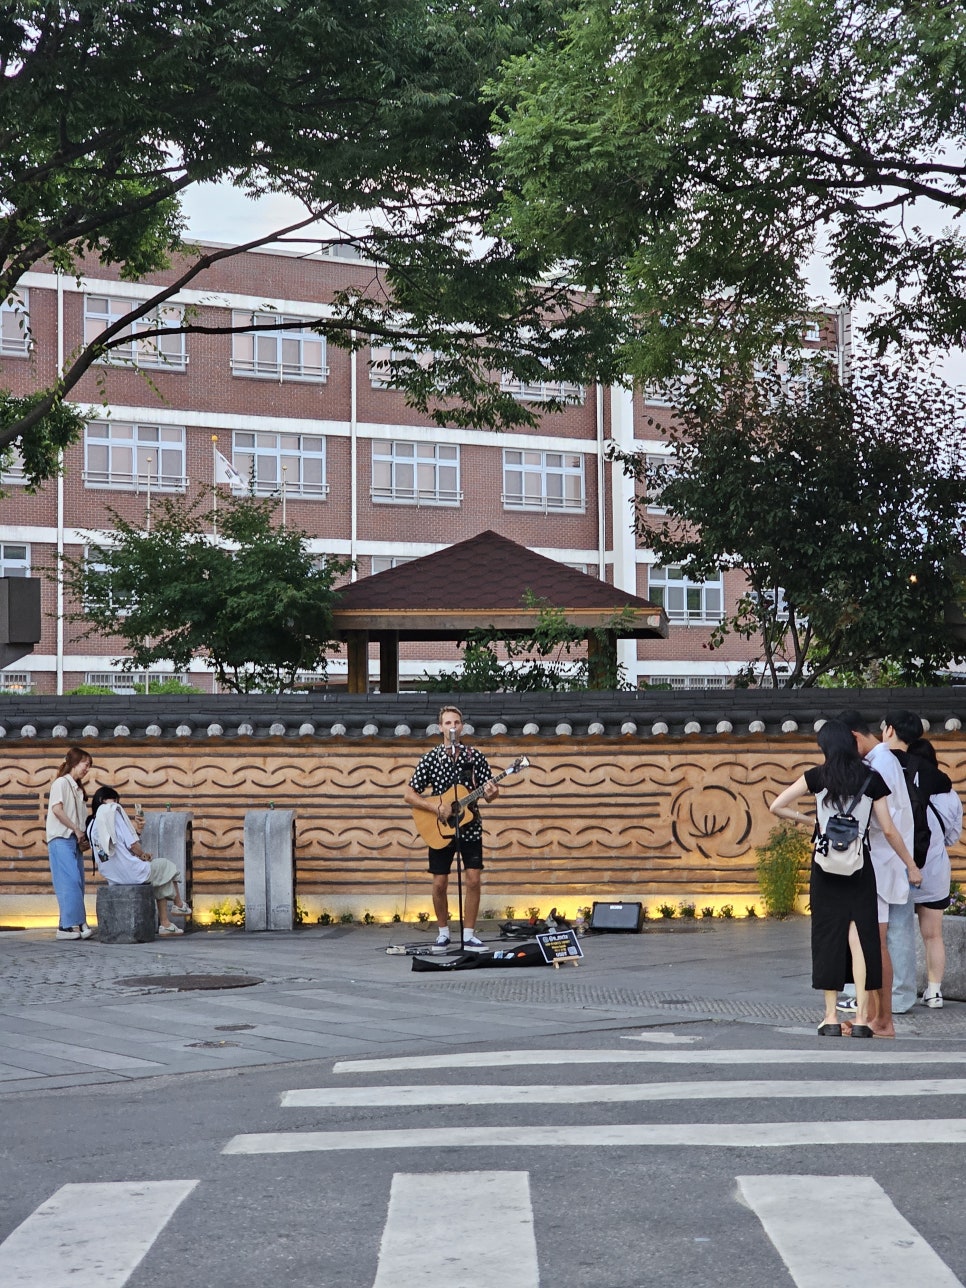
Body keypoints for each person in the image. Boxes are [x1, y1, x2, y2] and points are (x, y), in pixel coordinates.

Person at [769, 719, 920, 1038]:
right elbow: (889, 830)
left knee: (828, 937)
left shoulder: (817, 776)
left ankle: (830, 1017)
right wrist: (911, 865)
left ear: (827, 747)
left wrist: (809, 820)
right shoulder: (872, 778)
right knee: (861, 939)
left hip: (826, 867)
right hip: (860, 867)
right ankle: (864, 1018)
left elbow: (776, 806)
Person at [837, 709, 920, 1031]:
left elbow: (886, 827)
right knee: (874, 942)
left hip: (882, 866)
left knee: (875, 943)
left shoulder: (878, 766)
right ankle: (872, 1016)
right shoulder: (885, 762)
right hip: (885, 865)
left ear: (855, 737)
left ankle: (880, 1020)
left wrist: (910, 866)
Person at [404, 705, 499, 950]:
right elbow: (409, 794)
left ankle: (468, 934)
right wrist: (436, 808)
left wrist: (492, 792)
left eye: (456, 722)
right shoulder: (431, 758)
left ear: (462, 726)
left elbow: (488, 793)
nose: (452, 727)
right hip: (440, 827)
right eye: (448, 723)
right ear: (440, 728)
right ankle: (444, 933)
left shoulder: (474, 756)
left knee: (474, 879)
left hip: (470, 825)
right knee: (439, 883)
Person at [87, 786, 191, 934]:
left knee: (159, 876)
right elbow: (132, 845)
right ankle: (179, 904)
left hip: (112, 876)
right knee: (165, 865)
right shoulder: (114, 814)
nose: (116, 804)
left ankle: (166, 924)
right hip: (130, 872)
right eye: (113, 800)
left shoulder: (91, 824)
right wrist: (143, 855)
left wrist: (138, 831)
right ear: (102, 800)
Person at [908, 736, 963, 1009]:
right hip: (935, 871)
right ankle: (934, 992)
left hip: (903, 869)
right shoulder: (949, 795)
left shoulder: (901, 788)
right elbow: (952, 838)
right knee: (933, 935)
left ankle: (898, 990)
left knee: (896, 931)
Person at [45, 747, 94, 940]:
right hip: (61, 839)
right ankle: (67, 926)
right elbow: (57, 810)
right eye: (85, 763)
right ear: (74, 762)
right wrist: (75, 828)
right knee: (69, 882)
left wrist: (82, 834)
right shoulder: (61, 783)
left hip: (73, 841)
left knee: (78, 883)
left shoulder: (76, 787)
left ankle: (76, 923)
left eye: (89, 765)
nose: (87, 769)